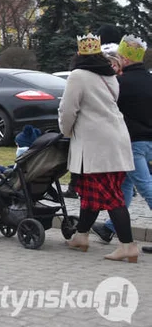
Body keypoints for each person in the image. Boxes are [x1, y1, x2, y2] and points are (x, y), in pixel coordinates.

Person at [60, 34, 139, 262]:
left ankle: (128, 245)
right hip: (117, 140)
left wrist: (65, 131)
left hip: (96, 145)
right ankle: (81, 236)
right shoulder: (109, 75)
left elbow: (68, 110)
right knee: (91, 193)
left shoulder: (78, 76)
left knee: (111, 196)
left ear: (79, 55)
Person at [93, 35, 152, 246]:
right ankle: (110, 228)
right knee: (124, 185)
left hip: (131, 142)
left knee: (146, 187)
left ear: (125, 60)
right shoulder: (149, 80)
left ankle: (111, 228)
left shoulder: (121, 83)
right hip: (148, 142)